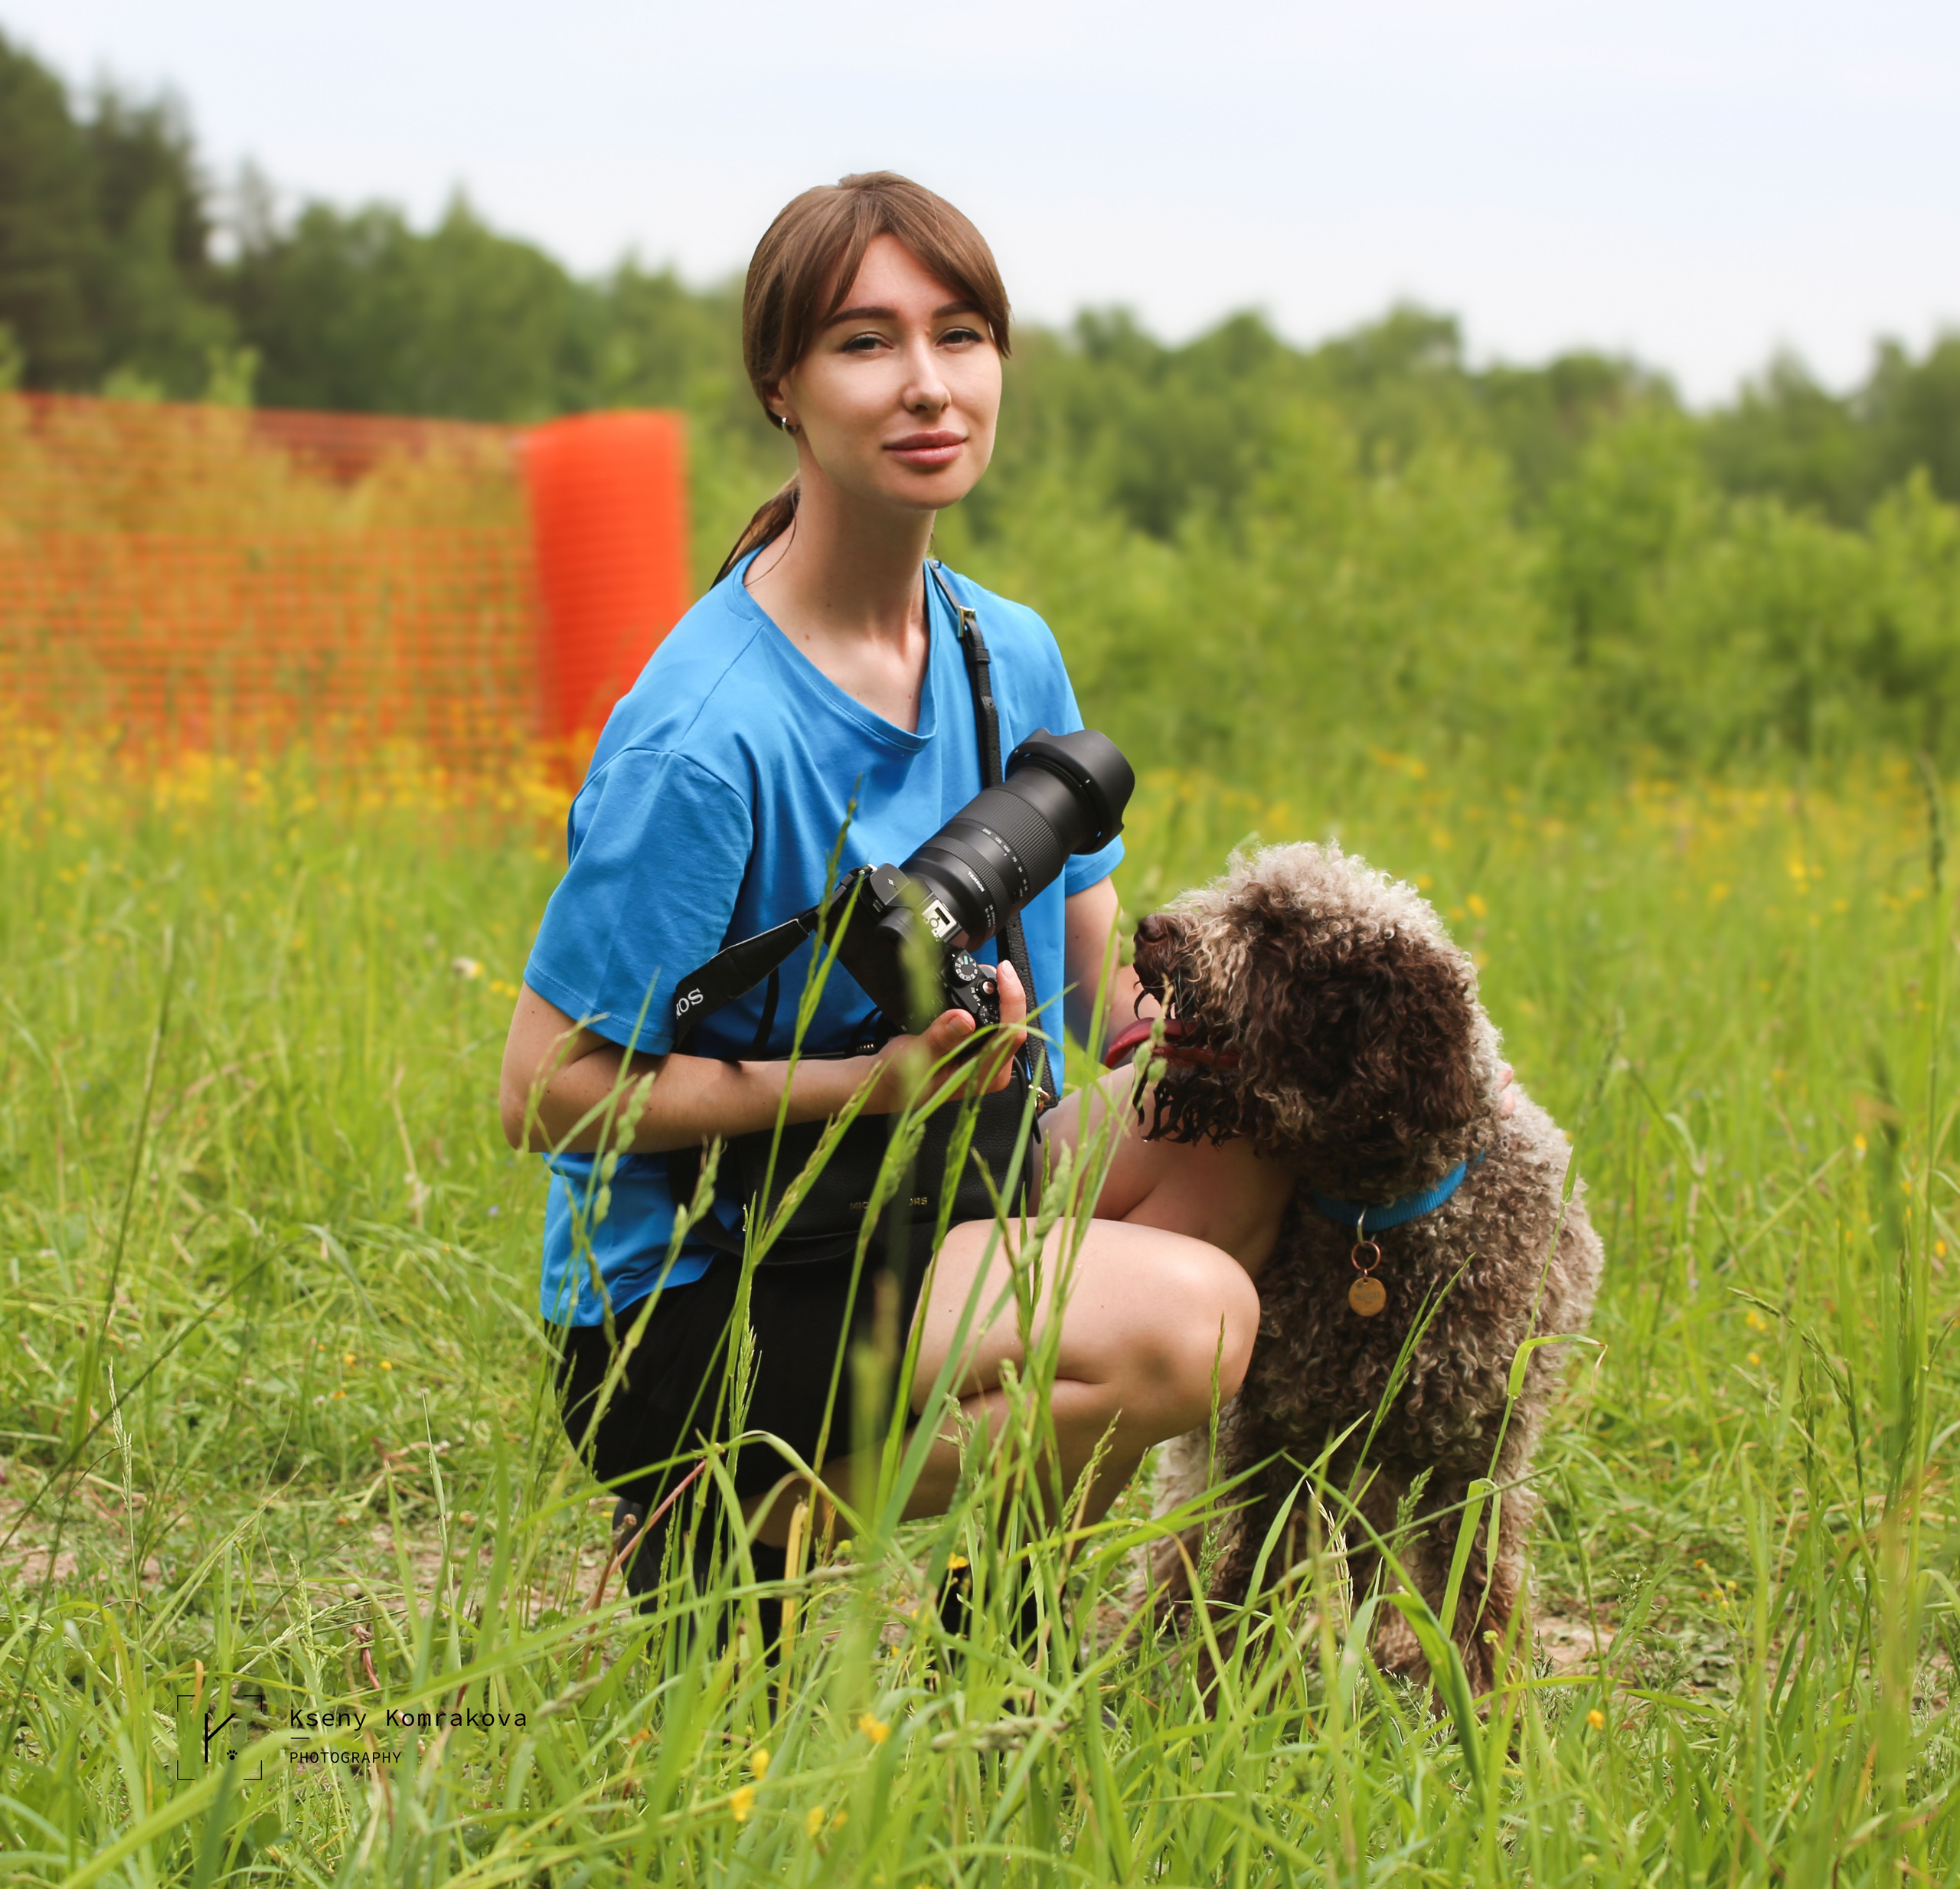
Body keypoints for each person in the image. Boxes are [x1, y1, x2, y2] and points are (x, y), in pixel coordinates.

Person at [498, 173, 1261, 1609]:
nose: (928, 385)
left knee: (1241, 1141)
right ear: (780, 387)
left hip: (929, 1192)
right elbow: (543, 1092)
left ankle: (1007, 1619)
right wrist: (861, 1081)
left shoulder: (1000, 648)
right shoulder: (707, 735)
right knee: (1192, 1327)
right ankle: (732, 1530)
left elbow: (1109, 997)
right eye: (866, 342)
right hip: (706, 1288)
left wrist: (1270, 1046)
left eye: (960, 334)